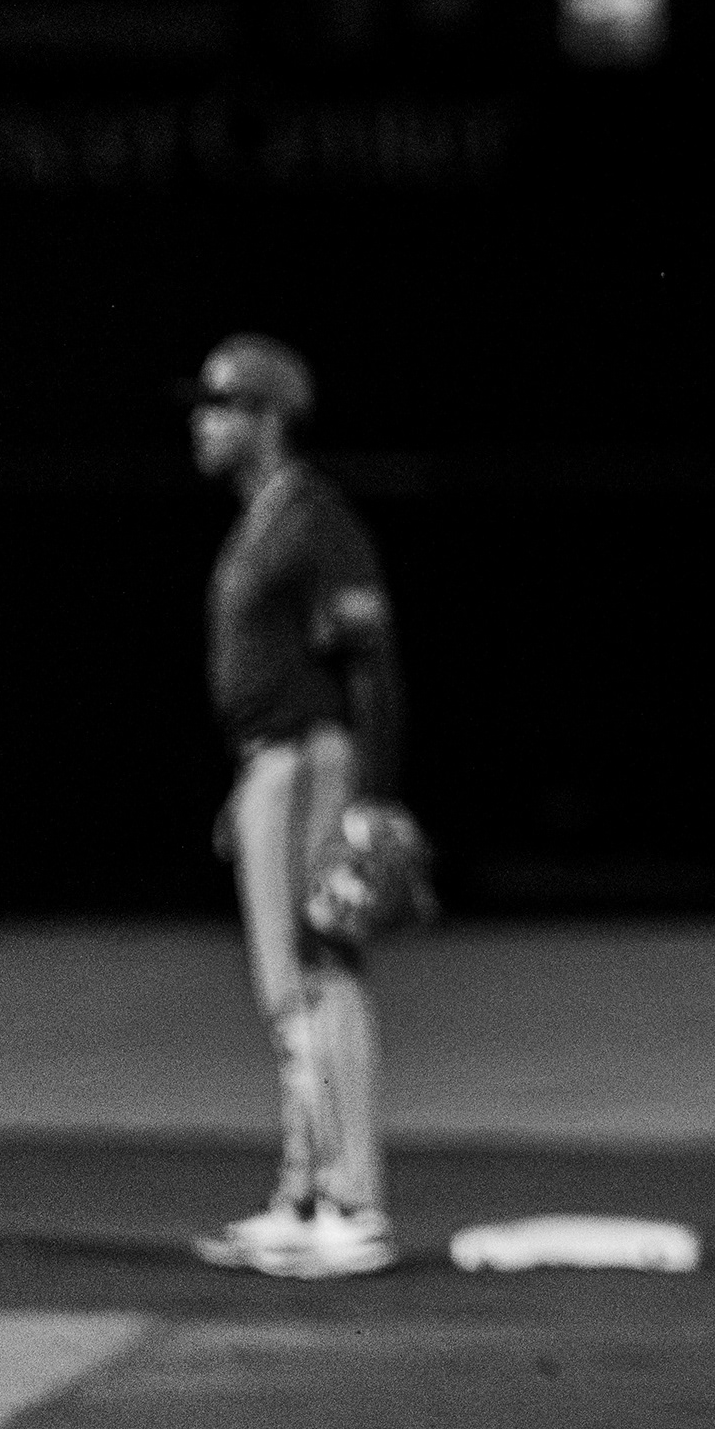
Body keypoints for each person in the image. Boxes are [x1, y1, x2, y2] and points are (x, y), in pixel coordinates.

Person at [184, 333, 404, 1281]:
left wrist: (374, 803)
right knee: (287, 990)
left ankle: (352, 1203)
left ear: (269, 419)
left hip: (311, 764)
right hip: (271, 766)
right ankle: (306, 1194)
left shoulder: (312, 518)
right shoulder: (262, 518)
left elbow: (372, 661)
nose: (204, 421)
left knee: (319, 971)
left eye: (222, 405)